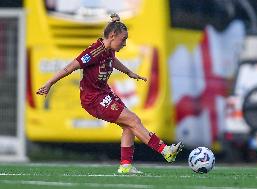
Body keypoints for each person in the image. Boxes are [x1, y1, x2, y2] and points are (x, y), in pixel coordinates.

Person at [36, 13, 183, 174]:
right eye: (123, 39)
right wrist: (49, 82)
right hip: (93, 99)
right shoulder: (93, 52)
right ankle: (165, 151)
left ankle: (125, 166)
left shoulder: (108, 50)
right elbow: (70, 67)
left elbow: (112, 60)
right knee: (133, 119)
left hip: (104, 93)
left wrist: (129, 72)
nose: (125, 44)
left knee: (129, 125)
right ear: (112, 36)